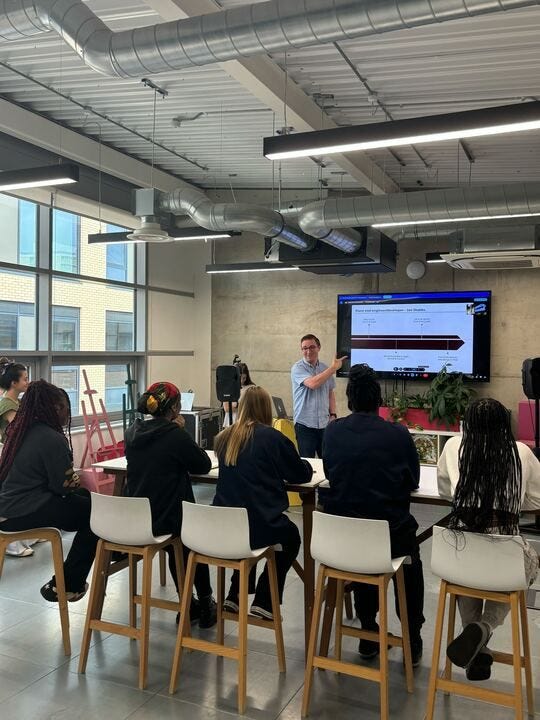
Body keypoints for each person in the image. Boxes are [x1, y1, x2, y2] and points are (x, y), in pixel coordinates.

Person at [321, 363, 424, 665]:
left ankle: (368, 629)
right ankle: (412, 634)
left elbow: (330, 473)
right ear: (378, 399)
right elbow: (413, 480)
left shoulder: (332, 432)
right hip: (389, 538)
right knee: (409, 558)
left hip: (341, 542)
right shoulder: (398, 434)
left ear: (350, 399)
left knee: (363, 543)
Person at [437, 397, 540, 681]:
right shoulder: (521, 452)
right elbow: (537, 498)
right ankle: (483, 628)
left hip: (460, 558)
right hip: (503, 560)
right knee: (527, 563)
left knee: (468, 562)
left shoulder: (453, 446)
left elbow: (446, 492)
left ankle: (476, 643)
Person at [213, 385, 313, 619]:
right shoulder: (273, 438)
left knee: (247, 528)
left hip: (224, 528)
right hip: (260, 526)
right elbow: (300, 474)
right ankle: (265, 599)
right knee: (290, 537)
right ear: (265, 408)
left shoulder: (224, 437)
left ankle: (234, 595)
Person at [124, 381, 217, 628]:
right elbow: (202, 465)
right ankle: (204, 601)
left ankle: (188, 602)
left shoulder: (132, 432)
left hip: (138, 520)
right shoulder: (175, 435)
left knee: (179, 545)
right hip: (169, 519)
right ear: (175, 409)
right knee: (193, 541)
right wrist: (181, 432)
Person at [0, 380, 98, 601]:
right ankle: (68, 584)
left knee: (86, 499)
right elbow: (61, 485)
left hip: (7, 507)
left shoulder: (18, 432)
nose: (66, 413)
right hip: (23, 510)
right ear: (55, 408)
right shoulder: (51, 438)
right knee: (96, 515)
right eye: (65, 407)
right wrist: (75, 479)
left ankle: (70, 578)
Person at [0, 358, 36, 558]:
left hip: (19, 452)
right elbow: (17, 429)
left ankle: (28, 535)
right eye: (24, 379)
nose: (27, 382)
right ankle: (12, 542)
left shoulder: (17, 401)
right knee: (13, 494)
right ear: (14, 382)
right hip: (9, 454)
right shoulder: (6, 403)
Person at [291, 334, 345, 457]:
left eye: (312, 347)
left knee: (327, 462)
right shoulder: (297, 368)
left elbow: (330, 393)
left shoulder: (325, 368)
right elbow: (313, 383)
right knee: (307, 464)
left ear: (319, 348)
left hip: (324, 424)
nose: (308, 351)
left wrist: (333, 414)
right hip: (304, 425)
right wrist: (333, 368)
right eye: (304, 348)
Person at [222, 362, 255, 427]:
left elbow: (252, 408)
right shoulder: (229, 387)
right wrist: (240, 406)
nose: (241, 381)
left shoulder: (251, 388)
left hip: (246, 423)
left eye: (244, 378)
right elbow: (226, 408)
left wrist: (235, 405)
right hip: (231, 422)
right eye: (239, 378)